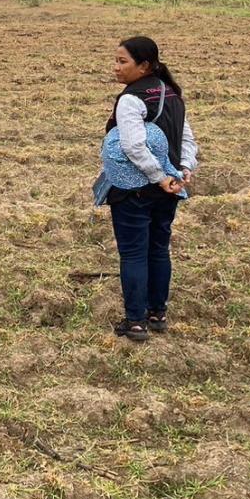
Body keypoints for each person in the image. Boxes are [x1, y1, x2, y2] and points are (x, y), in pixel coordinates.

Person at [98, 37, 199, 342]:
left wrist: (157, 176)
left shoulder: (131, 99)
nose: (116, 68)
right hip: (169, 189)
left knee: (133, 254)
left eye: (122, 62)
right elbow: (187, 141)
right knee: (158, 249)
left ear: (144, 66)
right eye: (115, 61)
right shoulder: (174, 95)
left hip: (135, 189)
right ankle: (157, 313)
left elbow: (132, 145)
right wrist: (182, 171)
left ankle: (136, 322)